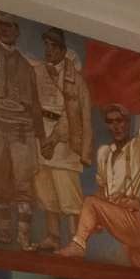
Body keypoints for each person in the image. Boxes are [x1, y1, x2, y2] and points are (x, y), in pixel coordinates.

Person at [56, 101, 140, 269]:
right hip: (116, 218)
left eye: (119, 120)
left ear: (127, 122)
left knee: (90, 203)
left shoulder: (138, 148)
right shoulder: (104, 153)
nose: (116, 126)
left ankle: (78, 246)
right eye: (110, 122)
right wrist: (94, 217)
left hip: (132, 220)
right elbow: (101, 189)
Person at [0, 13, 45, 249]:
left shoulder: (26, 65)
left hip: (22, 128)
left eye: (10, 26)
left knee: (24, 181)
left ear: (17, 31)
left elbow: (35, 103)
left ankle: (23, 236)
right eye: (1, 25)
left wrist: (42, 136)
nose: (4, 29)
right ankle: (4, 232)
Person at [33, 27, 93, 251]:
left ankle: (76, 243)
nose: (49, 50)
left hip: (66, 140)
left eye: (53, 46)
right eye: (46, 45)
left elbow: (76, 114)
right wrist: (42, 138)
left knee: (68, 193)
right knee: (46, 190)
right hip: (40, 134)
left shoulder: (75, 79)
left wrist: (55, 138)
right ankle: (53, 237)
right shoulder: (37, 72)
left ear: (62, 50)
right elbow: (32, 104)